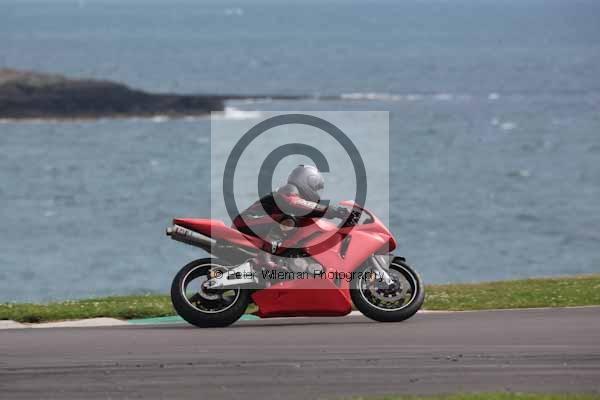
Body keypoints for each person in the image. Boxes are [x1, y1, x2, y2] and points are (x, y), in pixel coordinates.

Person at [232, 164, 350, 270]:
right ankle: (264, 257)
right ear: (307, 181)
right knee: (288, 220)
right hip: (247, 223)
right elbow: (295, 202)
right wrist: (332, 211)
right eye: (316, 187)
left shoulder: (295, 199)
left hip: (255, 225)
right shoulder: (289, 190)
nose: (317, 192)